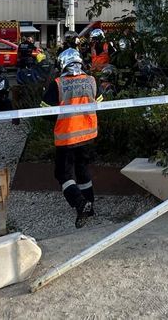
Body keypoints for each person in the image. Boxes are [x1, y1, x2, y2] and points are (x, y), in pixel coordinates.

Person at [41, 48, 98, 228]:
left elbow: (45, 111)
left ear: (62, 64)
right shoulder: (91, 80)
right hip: (88, 134)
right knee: (83, 170)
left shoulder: (58, 84)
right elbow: (100, 103)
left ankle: (80, 203)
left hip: (67, 137)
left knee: (63, 173)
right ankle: (90, 207)